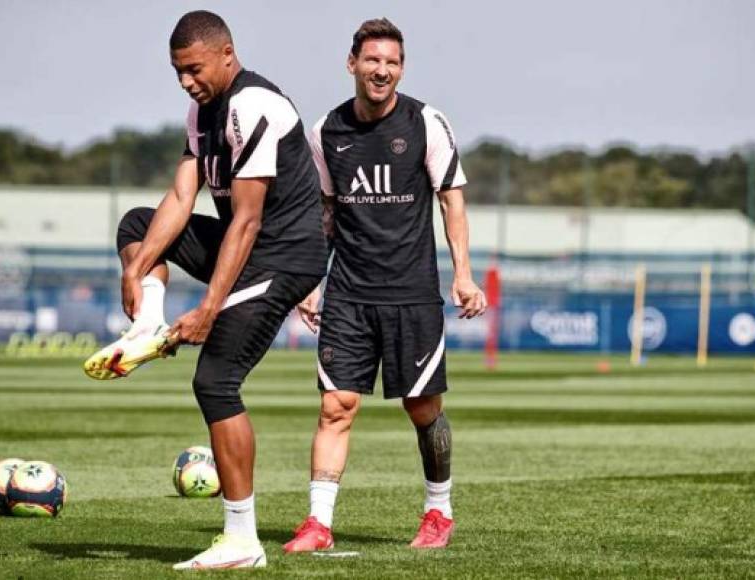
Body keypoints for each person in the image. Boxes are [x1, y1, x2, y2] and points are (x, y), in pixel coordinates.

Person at [83, 11, 328, 570]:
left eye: (193, 69)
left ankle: (243, 540)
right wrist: (138, 266)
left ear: (226, 53)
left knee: (216, 379)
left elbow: (246, 220)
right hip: (244, 248)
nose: (185, 81)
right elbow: (179, 195)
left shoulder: (253, 105)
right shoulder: (201, 111)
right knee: (135, 226)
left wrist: (209, 308)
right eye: (176, 72)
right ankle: (148, 325)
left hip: (285, 254)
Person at [283, 18, 486, 553]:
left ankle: (438, 513)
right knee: (336, 406)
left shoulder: (427, 122)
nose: (382, 70)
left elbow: (452, 199)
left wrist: (463, 274)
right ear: (352, 64)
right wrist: (310, 278)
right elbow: (324, 211)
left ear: (401, 68)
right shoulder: (326, 130)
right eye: (372, 60)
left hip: (413, 294)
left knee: (422, 409)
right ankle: (317, 524)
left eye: (392, 62)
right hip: (348, 293)